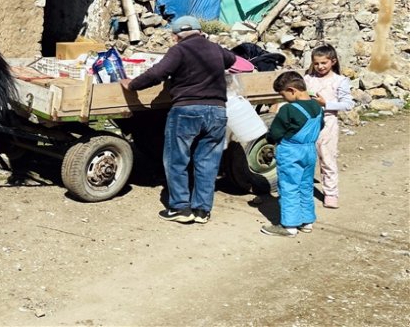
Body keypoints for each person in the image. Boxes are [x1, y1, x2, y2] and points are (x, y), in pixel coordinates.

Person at [120, 15, 236, 224]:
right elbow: (232, 59)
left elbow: (158, 73)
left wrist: (132, 84)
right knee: (207, 162)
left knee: (177, 159)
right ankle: (202, 211)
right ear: (199, 31)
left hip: (187, 111)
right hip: (217, 111)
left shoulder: (180, 50)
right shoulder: (215, 48)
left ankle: (181, 207)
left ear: (176, 36)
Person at [261, 72, 324, 237]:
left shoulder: (288, 109)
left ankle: (289, 225)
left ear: (292, 90)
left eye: (283, 95)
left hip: (291, 151)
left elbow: (275, 132)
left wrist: (271, 139)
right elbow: (321, 126)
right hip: (310, 150)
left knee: (289, 187)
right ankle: (307, 221)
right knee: (305, 185)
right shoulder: (318, 107)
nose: (284, 99)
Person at [304, 44, 354, 209]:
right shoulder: (308, 79)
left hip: (328, 122)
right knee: (306, 158)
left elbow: (347, 104)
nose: (320, 67)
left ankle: (331, 194)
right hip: (308, 122)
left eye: (324, 63)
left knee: (327, 158)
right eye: (317, 63)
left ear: (333, 61)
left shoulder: (340, 81)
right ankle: (303, 190)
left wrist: (326, 104)